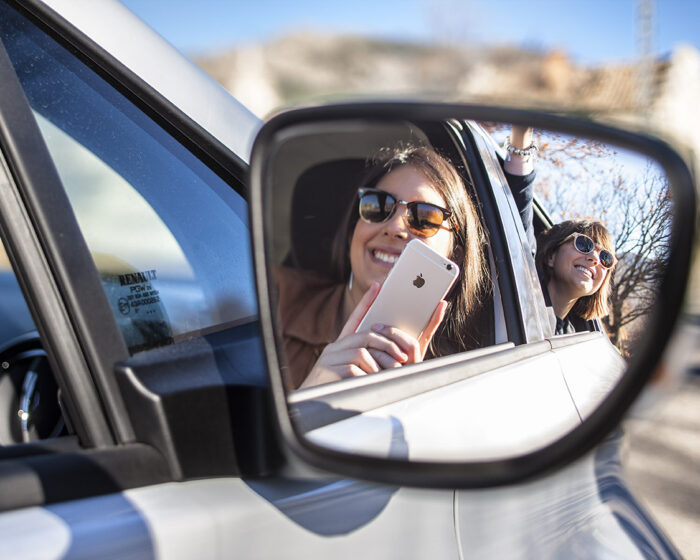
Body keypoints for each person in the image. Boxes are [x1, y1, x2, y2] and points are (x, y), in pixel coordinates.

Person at [276, 146, 489, 389]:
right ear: (351, 233)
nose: (394, 228)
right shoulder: (272, 295)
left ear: (455, 257)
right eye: (377, 207)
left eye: (424, 217)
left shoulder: (458, 384)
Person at [535, 220, 616, 334]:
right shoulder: (522, 299)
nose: (595, 259)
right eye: (583, 244)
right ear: (551, 256)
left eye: (605, 257)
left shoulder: (572, 334)